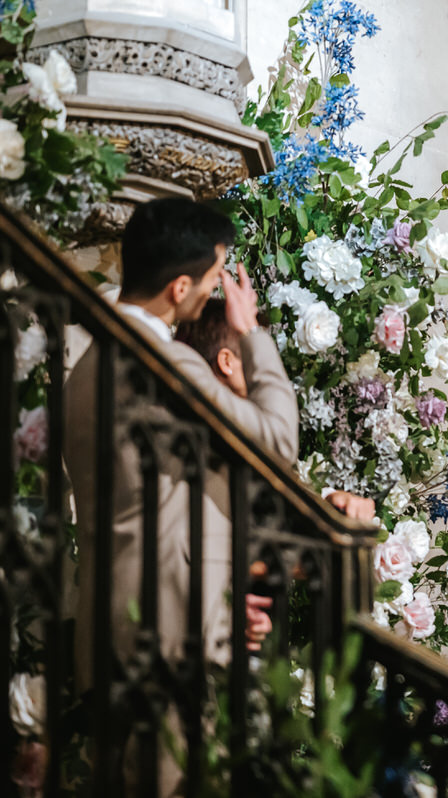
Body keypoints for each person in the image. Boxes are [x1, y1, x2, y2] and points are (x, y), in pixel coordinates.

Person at [63, 198, 298, 792]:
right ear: (180, 285)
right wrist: (251, 339)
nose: (215, 294)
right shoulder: (160, 363)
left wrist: (216, 598)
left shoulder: (92, 362)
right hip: (162, 640)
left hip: (128, 624)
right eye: (217, 278)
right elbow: (276, 442)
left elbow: (161, 507)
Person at [175, 300, 376, 522]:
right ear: (226, 362)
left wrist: (328, 499)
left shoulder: (238, 425)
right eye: (255, 356)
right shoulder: (212, 425)